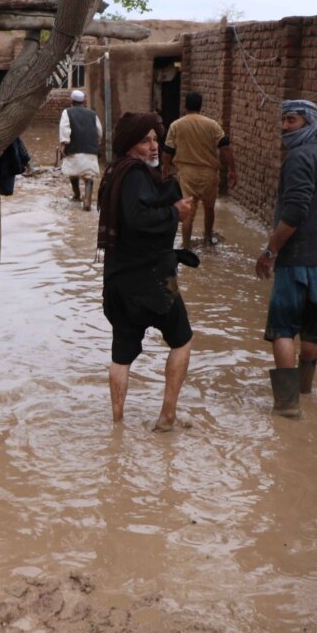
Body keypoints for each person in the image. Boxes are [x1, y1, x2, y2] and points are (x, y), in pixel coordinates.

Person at [97, 112, 198, 432]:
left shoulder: (114, 172)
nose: (155, 146)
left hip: (118, 282)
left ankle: (117, 424)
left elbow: (132, 216)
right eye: (146, 141)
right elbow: (139, 218)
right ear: (130, 145)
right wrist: (176, 212)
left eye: (156, 139)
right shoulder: (136, 175)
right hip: (153, 282)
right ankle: (167, 415)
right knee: (182, 340)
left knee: (122, 355)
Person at [255, 99, 317, 417]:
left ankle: (286, 404)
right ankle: (305, 391)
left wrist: (271, 251)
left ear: (309, 122)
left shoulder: (298, 157)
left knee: (283, 329)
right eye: (283, 120)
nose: (284, 127)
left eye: (291, 120)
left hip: (296, 256)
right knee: (313, 328)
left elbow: (294, 211)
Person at [162, 92, 238, 248]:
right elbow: (225, 148)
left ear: (185, 106)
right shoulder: (212, 125)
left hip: (187, 174)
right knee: (209, 208)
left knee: (188, 212)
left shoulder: (176, 125)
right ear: (200, 105)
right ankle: (208, 239)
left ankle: (186, 246)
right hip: (209, 173)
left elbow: (168, 150)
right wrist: (232, 169)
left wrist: (165, 168)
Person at [59, 89, 103, 211]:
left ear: (71, 101)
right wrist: (96, 143)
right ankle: (87, 201)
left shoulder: (67, 112)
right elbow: (99, 131)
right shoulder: (92, 114)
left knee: (73, 173)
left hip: (74, 149)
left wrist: (64, 144)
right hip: (90, 150)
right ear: (83, 101)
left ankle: (77, 195)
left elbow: (64, 129)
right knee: (89, 176)